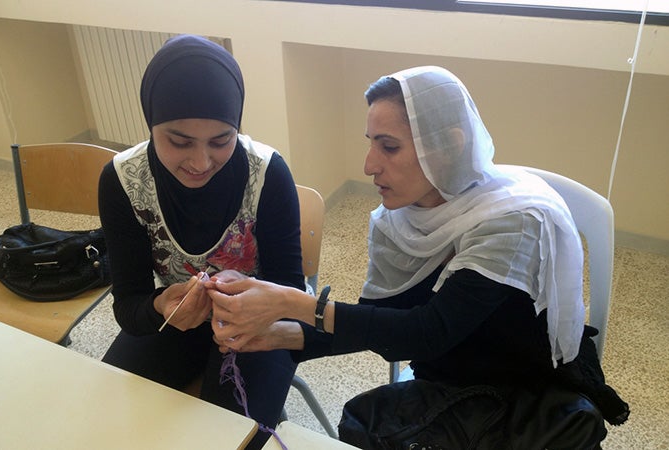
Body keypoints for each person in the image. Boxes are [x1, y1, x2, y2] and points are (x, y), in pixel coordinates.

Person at [206, 66, 629, 448]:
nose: (369, 165)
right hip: (452, 380)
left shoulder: (513, 222)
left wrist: (288, 302)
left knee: (365, 426)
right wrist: (276, 336)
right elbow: (376, 322)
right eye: (371, 144)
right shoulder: (398, 220)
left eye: (389, 147)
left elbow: (427, 332)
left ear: (447, 146)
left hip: (526, 388)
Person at [98, 34, 304, 449]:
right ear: (150, 122)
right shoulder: (122, 181)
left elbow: (292, 296)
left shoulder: (268, 175)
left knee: (224, 439)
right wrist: (161, 304)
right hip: (175, 321)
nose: (200, 162)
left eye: (221, 140)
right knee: (110, 419)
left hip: (258, 326)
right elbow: (128, 303)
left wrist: (251, 299)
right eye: (179, 141)